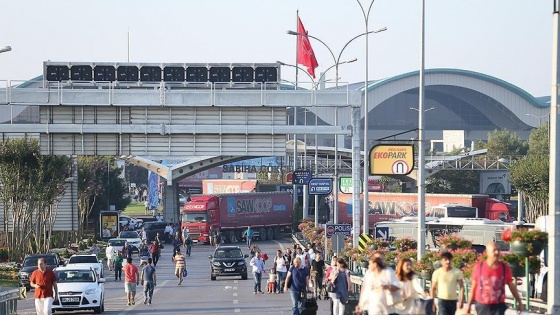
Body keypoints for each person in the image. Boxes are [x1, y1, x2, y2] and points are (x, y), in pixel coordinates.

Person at [464, 242, 524, 315]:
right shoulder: (479, 267)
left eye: (498, 250)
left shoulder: (505, 268)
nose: (497, 252)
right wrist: (468, 305)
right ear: (488, 253)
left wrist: (519, 302)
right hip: (483, 306)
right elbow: (473, 288)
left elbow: (511, 286)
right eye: (494, 250)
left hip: (498, 306)